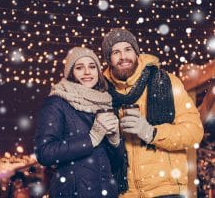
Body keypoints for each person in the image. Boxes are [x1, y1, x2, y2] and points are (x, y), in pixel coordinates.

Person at [102, 28, 204, 198]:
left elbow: (194, 132)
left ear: (136, 52)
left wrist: (152, 133)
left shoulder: (167, 82)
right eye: (115, 52)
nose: (123, 57)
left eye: (128, 49)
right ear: (108, 59)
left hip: (167, 189)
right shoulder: (102, 94)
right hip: (124, 193)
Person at [35, 47, 125, 198]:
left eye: (92, 67)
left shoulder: (105, 104)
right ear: (71, 73)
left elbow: (114, 164)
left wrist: (115, 141)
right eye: (79, 68)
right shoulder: (57, 102)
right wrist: (90, 139)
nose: (87, 72)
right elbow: (44, 153)